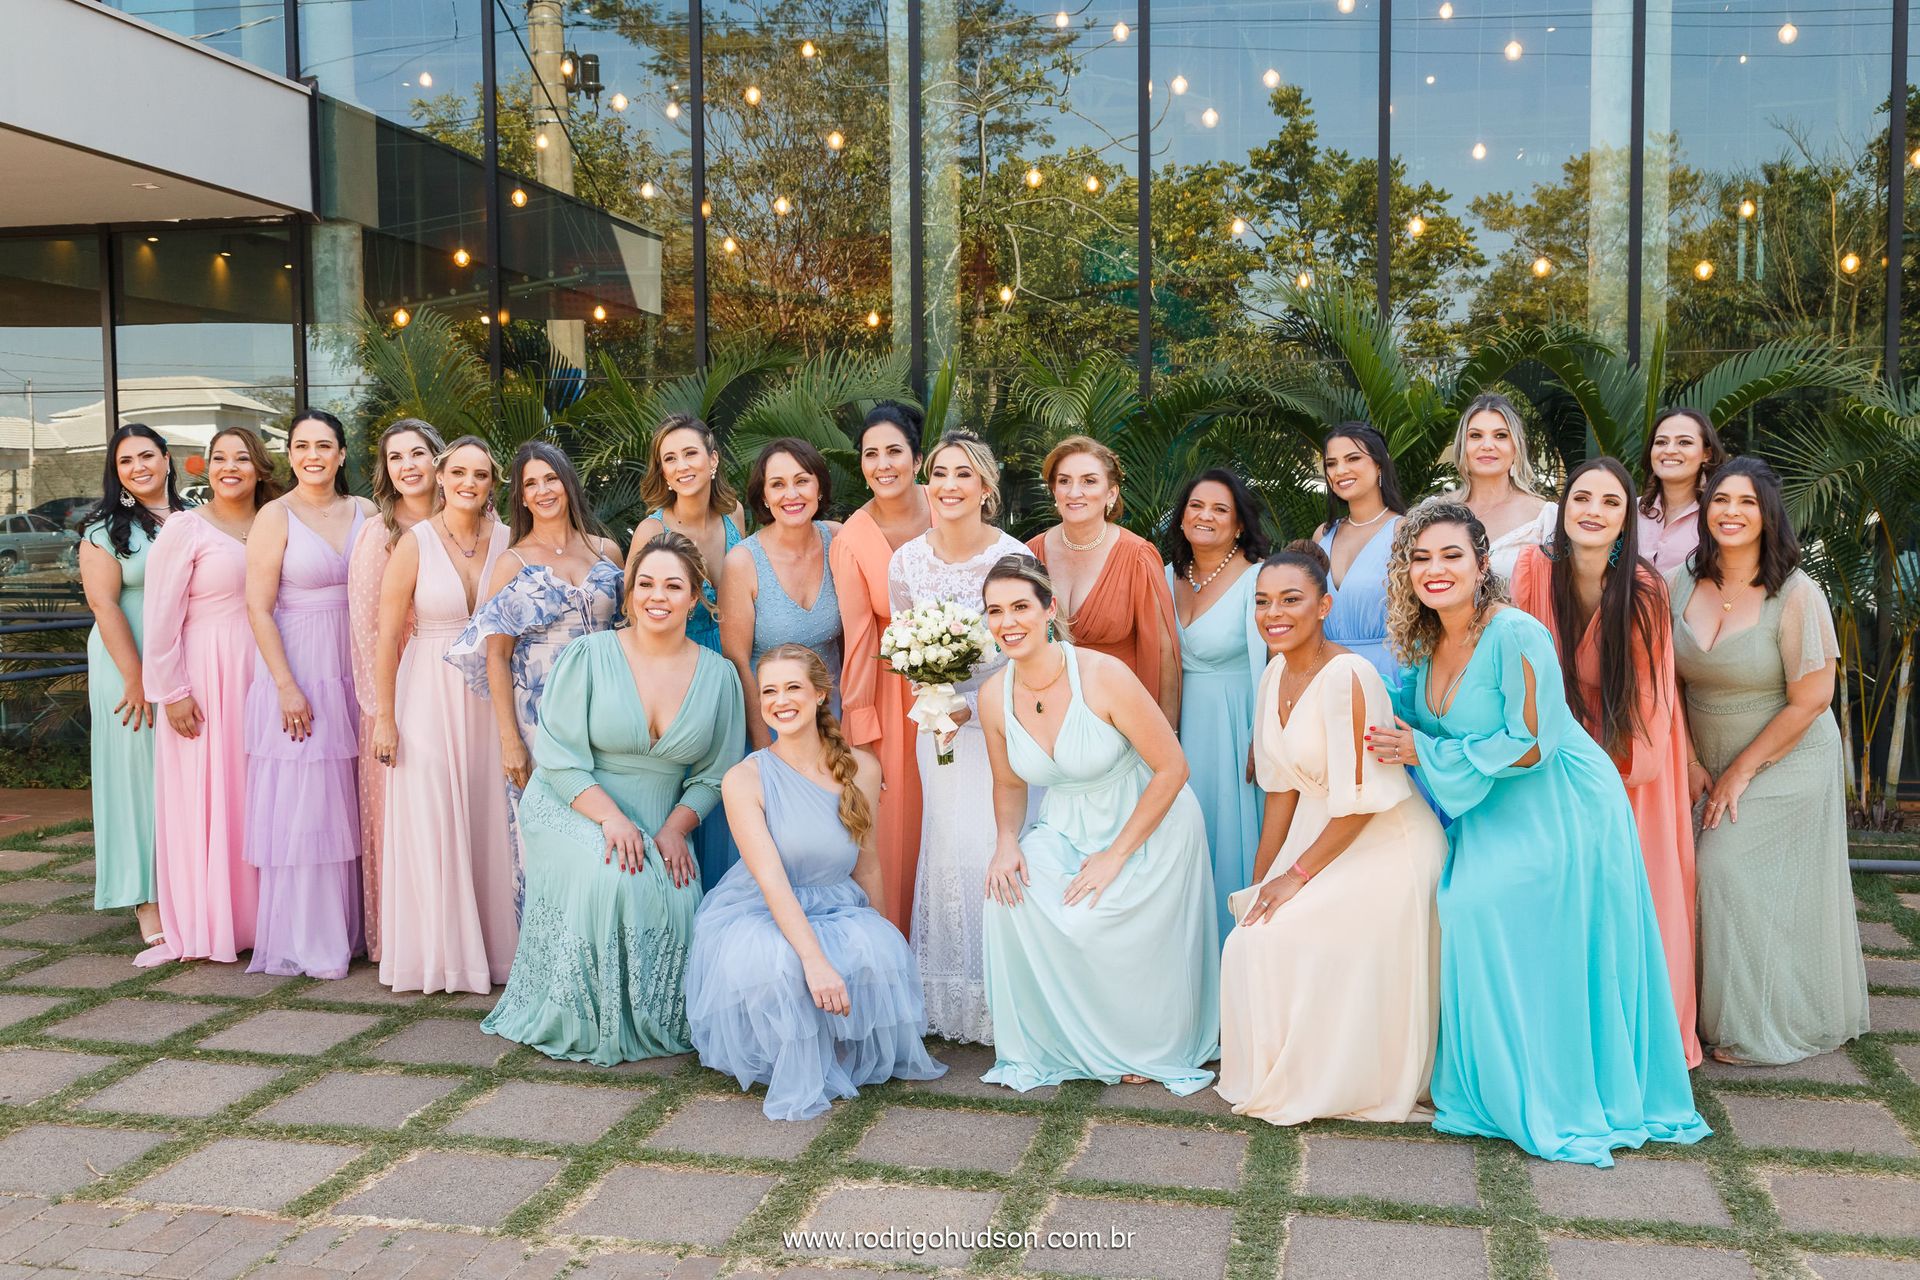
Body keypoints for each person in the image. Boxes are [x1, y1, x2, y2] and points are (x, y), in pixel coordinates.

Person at [1365, 500, 1708, 1166]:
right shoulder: (1425, 642)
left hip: (1561, 802)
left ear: (1481, 563)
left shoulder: (1515, 632)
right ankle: (1491, 1087)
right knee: (1458, 906)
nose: (1435, 570)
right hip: (1491, 805)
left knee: (1483, 905)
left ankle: (1548, 1089)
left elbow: (1530, 744)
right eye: (1420, 558)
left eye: (1450, 555)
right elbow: (1415, 718)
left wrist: (1424, 754)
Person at [483, 532, 745, 1064]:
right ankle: (583, 1015)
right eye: (645, 583)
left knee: (677, 895)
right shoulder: (589, 654)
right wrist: (610, 820)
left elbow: (717, 774)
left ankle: (655, 1017)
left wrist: (675, 829)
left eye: (674, 586)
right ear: (628, 596)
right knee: (615, 876)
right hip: (571, 801)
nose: (658, 596)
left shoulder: (719, 677)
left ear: (695, 597)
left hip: (660, 817)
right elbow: (557, 757)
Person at [1216, 542, 1445, 1124]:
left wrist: (1293, 878)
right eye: (1263, 602)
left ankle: (1336, 1080)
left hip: (1384, 839)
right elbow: (1281, 791)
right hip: (1320, 835)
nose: (1275, 613)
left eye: (1291, 600)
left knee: (1291, 936)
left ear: (1325, 605)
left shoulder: (1350, 675)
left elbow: (1364, 801)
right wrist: (1262, 877)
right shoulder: (1273, 675)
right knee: (1251, 932)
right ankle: (1280, 1072)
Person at [978, 556, 1219, 1093]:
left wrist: (1116, 855)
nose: (1008, 622)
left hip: (1148, 821)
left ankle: (1139, 1043)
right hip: (1064, 826)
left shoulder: (1103, 675)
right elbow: (1010, 785)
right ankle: (1056, 1042)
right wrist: (1005, 843)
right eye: (995, 611)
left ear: (1049, 610)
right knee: (1006, 893)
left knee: (1092, 917)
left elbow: (1172, 768)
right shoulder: (994, 696)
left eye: (1021, 607)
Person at [688, 643, 946, 1118]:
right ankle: (794, 1048)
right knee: (785, 965)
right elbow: (772, 882)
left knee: (872, 948)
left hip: (837, 903)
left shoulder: (862, 769)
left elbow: (866, 864)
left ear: (821, 694)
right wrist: (814, 961)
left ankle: (836, 1038)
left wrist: (885, 948)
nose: (779, 701)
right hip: (765, 908)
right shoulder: (745, 779)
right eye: (769, 691)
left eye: (792, 688)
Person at [1671, 457, 1868, 1065]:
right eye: (1722, 500)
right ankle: (1690, 1016)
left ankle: (1754, 1022)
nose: (1731, 512)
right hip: (1707, 752)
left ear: (1768, 516)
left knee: (1722, 864)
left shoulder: (1796, 593)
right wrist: (1692, 758)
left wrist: (1739, 771)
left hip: (1786, 755)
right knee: (1678, 866)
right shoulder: (1683, 578)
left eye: (1747, 502)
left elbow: (1812, 699)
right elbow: (1665, 682)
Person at [1511, 459, 1702, 1067]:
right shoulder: (1531, 571)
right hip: (1548, 750)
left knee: (1636, 888)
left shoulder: (1644, 592)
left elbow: (1649, 707)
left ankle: (1639, 1037)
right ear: (1563, 509)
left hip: (1627, 758)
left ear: (1626, 519)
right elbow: (1520, 682)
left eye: (1610, 502)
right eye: (1582, 498)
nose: (1593, 511)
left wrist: (1607, 780)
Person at [886, 430, 1028, 1043]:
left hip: (998, 722)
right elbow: (902, 643)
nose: (948, 485)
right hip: (938, 727)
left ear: (986, 487)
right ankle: (951, 999)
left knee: (997, 845)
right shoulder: (906, 561)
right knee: (949, 846)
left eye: (963, 474)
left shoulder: (1013, 556)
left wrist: (978, 703)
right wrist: (937, 698)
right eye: (939, 473)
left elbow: (1029, 648)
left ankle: (1007, 995)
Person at [448, 441, 624, 919]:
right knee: (549, 835)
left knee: (608, 828)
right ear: (520, 498)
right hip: (539, 718)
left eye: (551, 478)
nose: (543, 490)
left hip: (607, 710)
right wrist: (510, 739)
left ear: (568, 482)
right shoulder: (513, 563)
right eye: (531, 484)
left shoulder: (608, 550)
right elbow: (496, 656)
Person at [371, 436, 516, 994]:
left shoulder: (509, 542)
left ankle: (500, 952)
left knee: (490, 814)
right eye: (459, 471)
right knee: (434, 815)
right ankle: (439, 956)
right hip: (427, 690)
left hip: (492, 693)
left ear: (492, 484)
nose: (468, 483)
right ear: (441, 475)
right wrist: (386, 716)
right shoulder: (414, 542)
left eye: (481, 474)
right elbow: (386, 636)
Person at [137, 426, 280, 967]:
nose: (230, 467)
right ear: (204, 467)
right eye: (220, 458)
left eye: (242, 458)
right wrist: (172, 691)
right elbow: (160, 619)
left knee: (257, 792)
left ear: (259, 468)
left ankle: (263, 915)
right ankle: (213, 919)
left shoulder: (276, 521)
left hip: (263, 672)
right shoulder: (184, 528)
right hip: (206, 674)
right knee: (210, 794)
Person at [241, 410, 373, 979]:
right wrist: (286, 685)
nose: (313, 455)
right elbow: (257, 607)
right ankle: (309, 937)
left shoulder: (366, 511)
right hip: (303, 666)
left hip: (358, 663)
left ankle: (360, 928)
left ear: (343, 454)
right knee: (308, 800)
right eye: (302, 445)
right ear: (290, 454)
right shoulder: (275, 516)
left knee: (356, 796)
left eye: (325, 445)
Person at [79, 424, 185, 946]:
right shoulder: (103, 531)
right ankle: (148, 901)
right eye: (126, 461)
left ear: (168, 460)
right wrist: (136, 679)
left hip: (185, 664)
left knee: (183, 780)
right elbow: (104, 605)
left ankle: (191, 891)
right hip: (130, 667)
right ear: (116, 472)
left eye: (147, 455)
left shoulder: (193, 518)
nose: (139, 467)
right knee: (138, 780)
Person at [629, 414, 745, 885]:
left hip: (733, 663)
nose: (681, 466)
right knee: (683, 785)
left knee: (729, 782)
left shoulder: (735, 514)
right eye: (669, 458)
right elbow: (638, 614)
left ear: (713, 459)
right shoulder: (649, 530)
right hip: (677, 667)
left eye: (690, 454)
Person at [831, 402, 932, 935]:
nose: (882, 464)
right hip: (893, 695)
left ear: (917, 458)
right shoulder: (851, 538)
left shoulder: (950, 507)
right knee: (896, 826)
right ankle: (900, 949)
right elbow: (859, 638)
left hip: (963, 684)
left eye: (894, 451)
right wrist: (862, 729)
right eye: (871, 454)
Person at [347, 418, 445, 963]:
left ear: (438, 459)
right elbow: (366, 630)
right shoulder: (377, 533)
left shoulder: (475, 517)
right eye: (395, 458)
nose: (408, 466)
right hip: (397, 692)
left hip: (459, 688)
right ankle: (407, 938)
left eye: (418, 454)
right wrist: (383, 709)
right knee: (402, 815)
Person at [1162, 469, 1270, 935]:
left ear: (1239, 524)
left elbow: (1279, 660)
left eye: (1220, 509)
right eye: (1196, 506)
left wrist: (1263, 735)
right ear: (1182, 516)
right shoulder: (1165, 576)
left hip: (1238, 722)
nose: (1205, 516)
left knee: (1232, 836)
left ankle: (1237, 949)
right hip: (1179, 727)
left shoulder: (1258, 578)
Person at [1025, 436, 1179, 724]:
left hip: (1118, 715)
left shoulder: (1137, 557)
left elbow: (1162, 650)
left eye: (1089, 481)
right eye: (1064, 481)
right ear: (1054, 490)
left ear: (1111, 493)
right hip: (1047, 715)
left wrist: (1166, 730)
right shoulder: (1030, 553)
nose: (1074, 492)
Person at [721, 439, 843, 749]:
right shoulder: (743, 561)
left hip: (835, 716)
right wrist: (766, 747)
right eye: (778, 484)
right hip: (774, 720)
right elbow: (737, 661)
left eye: (802, 481)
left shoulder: (839, 540)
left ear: (819, 487)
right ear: (764, 497)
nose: (791, 494)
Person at [1314, 424, 1409, 686]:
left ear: (1380, 464)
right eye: (1331, 463)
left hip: (1388, 675)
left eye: (1353, 458)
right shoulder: (1322, 535)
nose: (1340, 471)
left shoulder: (1404, 530)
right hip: (1326, 674)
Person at [1444, 394, 1556, 582]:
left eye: (1501, 436)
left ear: (1516, 448)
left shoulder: (1544, 518)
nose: (1487, 445)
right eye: (1476, 435)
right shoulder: (1436, 511)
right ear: (1463, 446)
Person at [1637, 408, 1728, 576]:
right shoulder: (1630, 510)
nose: (1669, 450)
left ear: (1707, 453)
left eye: (1684, 442)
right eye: (1661, 442)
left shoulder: (1720, 515)